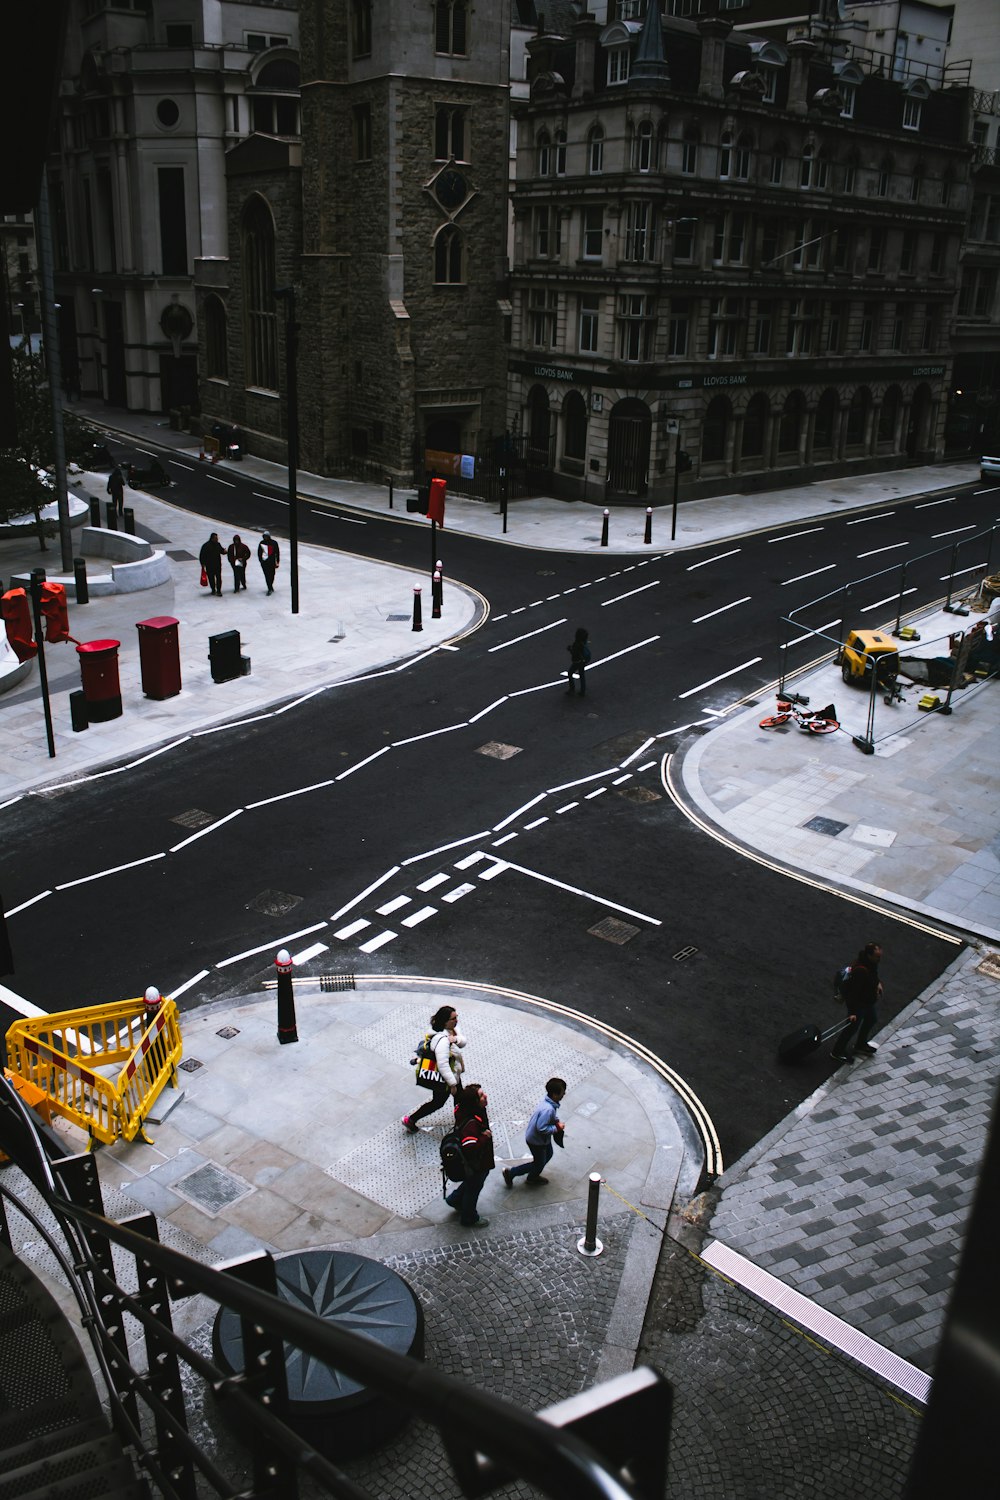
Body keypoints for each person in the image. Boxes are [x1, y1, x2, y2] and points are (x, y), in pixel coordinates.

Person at [402, 1005, 466, 1131]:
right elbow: (442, 1065)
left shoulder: (453, 1029)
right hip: (446, 1077)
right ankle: (412, 1120)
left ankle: (461, 1122)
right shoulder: (441, 1040)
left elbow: (463, 1041)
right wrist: (452, 1084)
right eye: (453, 1019)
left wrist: (456, 1039)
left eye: (456, 1017)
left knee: (457, 1098)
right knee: (439, 1102)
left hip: (453, 1074)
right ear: (445, 1021)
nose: (456, 1020)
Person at [445, 1083, 494, 1228]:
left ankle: (455, 1199)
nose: (485, 1096)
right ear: (474, 1103)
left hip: (476, 1162)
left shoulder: (466, 1111)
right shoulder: (472, 1123)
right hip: (476, 1163)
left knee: (471, 1183)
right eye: (481, 1095)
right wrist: (485, 1137)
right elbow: (470, 1147)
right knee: (474, 1189)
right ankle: (469, 1217)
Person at [503, 1079, 566, 1188]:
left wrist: (555, 1120)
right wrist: (556, 1128)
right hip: (537, 1141)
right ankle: (514, 1173)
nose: (564, 1094)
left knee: (548, 1154)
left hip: (540, 1139)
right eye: (562, 1092)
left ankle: (532, 1175)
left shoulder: (548, 1103)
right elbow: (542, 1128)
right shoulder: (549, 1109)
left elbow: (548, 1119)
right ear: (555, 1094)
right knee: (539, 1163)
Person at [831, 942, 884, 1063]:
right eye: (877, 956)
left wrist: (878, 983)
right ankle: (836, 1052)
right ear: (869, 955)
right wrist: (852, 1012)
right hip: (859, 1004)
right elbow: (853, 994)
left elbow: (873, 976)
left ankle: (860, 1044)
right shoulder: (860, 970)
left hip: (868, 1002)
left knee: (871, 1019)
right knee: (851, 1028)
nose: (879, 959)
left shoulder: (871, 964)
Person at [566, 628, 590, 696]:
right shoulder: (583, 643)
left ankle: (572, 689)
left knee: (570, 673)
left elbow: (574, 653)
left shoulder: (576, 644)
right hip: (582, 661)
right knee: (581, 674)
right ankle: (583, 690)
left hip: (577, 662)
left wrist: (570, 649)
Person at [199, 532, 225, 596]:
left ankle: (218, 590)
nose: (217, 539)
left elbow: (221, 551)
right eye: (216, 538)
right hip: (209, 565)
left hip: (217, 565)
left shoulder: (218, 544)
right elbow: (202, 555)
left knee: (218, 578)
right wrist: (202, 564)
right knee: (211, 578)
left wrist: (225, 552)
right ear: (212, 538)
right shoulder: (206, 546)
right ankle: (213, 589)